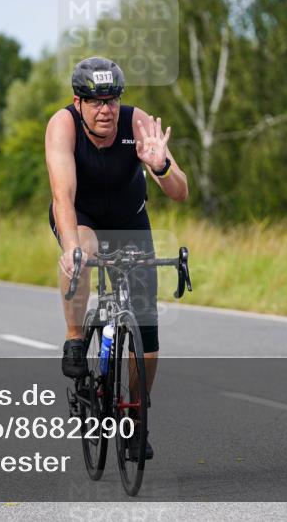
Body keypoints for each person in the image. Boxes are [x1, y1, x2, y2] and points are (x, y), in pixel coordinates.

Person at [44, 56, 189, 461]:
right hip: (82, 217)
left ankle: (137, 422)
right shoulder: (63, 126)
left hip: (130, 221)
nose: (106, 109)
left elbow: (180, 191)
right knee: (83, 252)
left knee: (148, 336)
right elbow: (62, 197)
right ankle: (75, 340)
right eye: (95, 101)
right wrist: (72, 247)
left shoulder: (137, 124)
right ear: (78, 102)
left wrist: (160, 164)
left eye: (112, 100)